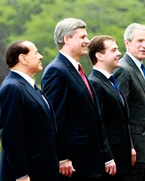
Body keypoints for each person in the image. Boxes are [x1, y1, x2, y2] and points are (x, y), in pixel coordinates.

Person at [41, 18, 113, 180]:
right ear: (67, 39)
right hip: (74, 163)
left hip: (90, 159)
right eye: (82, 37)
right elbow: (55, 117)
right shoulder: (56, 71)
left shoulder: (77, 69)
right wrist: (63, 157)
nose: (87, 41)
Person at [0, 40, 59, 181]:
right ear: (23, 58)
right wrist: (21, 175)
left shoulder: (30, 86)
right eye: (36, 53)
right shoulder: (12, 88)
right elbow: (11, 135)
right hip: (29, 174)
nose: (41, 56)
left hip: (44, 170)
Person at [113, 23, 145, 181]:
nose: (144, 45)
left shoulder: (140, 68)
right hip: (134, 152)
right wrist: (130, 146)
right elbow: (120, 112)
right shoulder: (123, 69)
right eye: (140, 41)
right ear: (127, 43)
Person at [87, 35, 133, 181]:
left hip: (121, 158)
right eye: (113, 50)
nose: (119, 53)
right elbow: (99, 124)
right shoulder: (95, 83)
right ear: (99, 55)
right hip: (110, 162)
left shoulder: (111, 81)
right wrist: (108, 157)